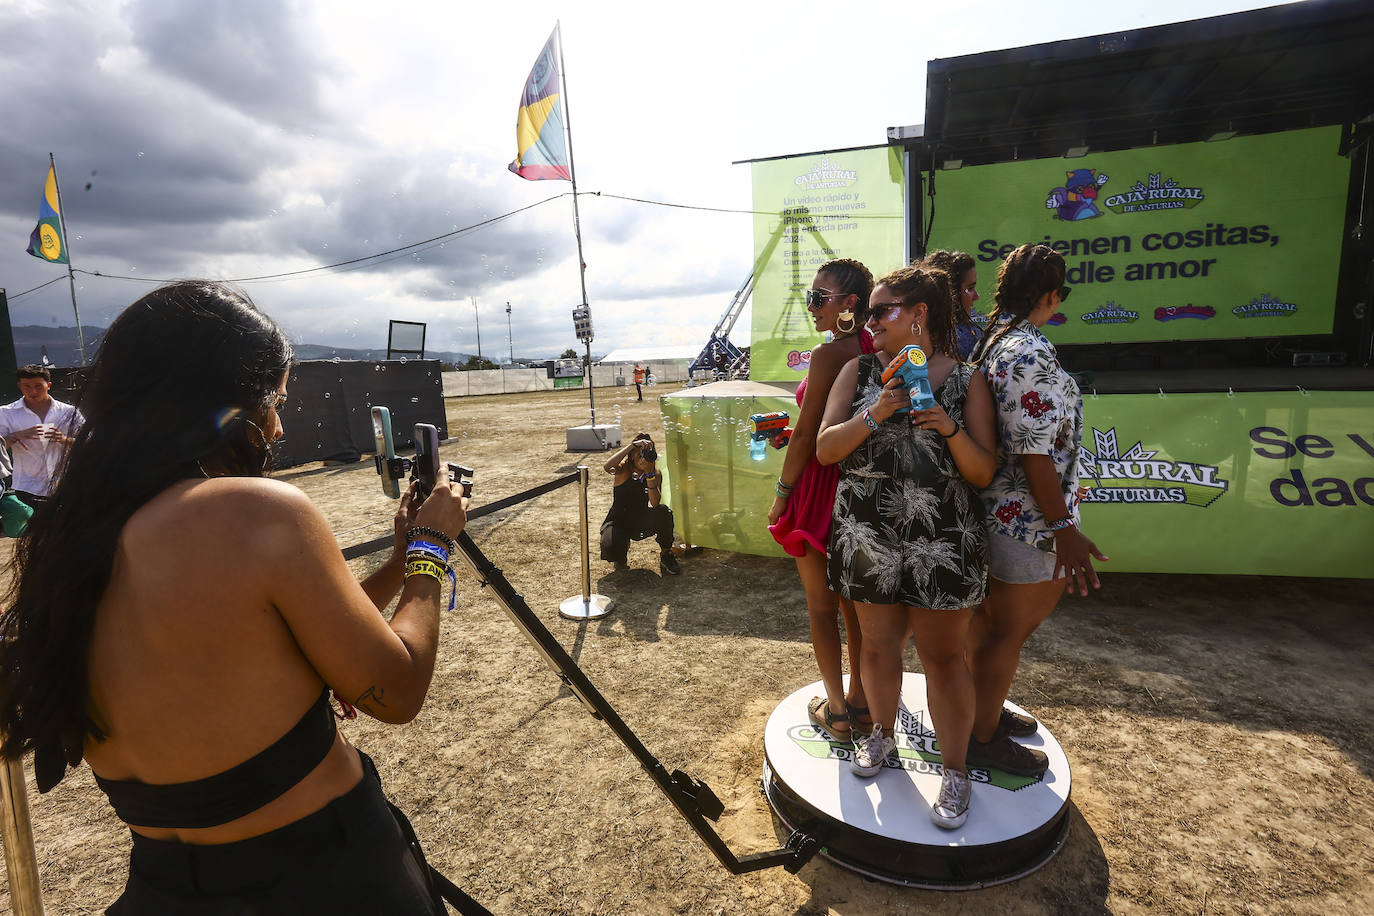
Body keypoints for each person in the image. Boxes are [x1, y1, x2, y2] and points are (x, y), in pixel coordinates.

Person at [0, 282, 471, 914]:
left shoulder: (68, 536)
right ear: (224, 404)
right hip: (327, 877)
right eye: (273, 400)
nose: (277, 424)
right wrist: (431, 550)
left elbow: (256, 638)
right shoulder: (253, 512)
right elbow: (399, 688)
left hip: (161, 888)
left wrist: (390, 566)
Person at [817, 264, 998, 830]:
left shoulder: (966, 380)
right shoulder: (857, 369)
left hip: (943, 537)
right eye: (866, 312)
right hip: (868, 531)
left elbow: (983, 472)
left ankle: (956, 771)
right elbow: (825, 449)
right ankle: (882, 736)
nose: (865, 321)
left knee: (945, 659)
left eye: (879, 311)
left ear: (918, 314)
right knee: (876, 646)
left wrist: (947, 426)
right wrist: (877, 413)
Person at [966, 243, 1108, 777]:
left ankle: (984, 714)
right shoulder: (1026, 351)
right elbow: (1032, 450)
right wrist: (1063, 526)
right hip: (1025, 522)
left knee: (990, 625)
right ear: (1050, 296)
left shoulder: (996, 340)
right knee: (1007, 632)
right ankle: (981, 738)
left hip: (1005, 513)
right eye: (1061, 294)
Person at [767, 257, 876, 743]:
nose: (810, 306)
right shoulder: (882, 345)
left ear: (849, 303)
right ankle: (862, 701)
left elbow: (810, 434)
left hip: (818, 489)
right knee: (857, 609)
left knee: (820, 608)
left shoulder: (830, 353)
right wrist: (793, 434)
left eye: (818, 298)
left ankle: (835, 712)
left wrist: (782, 493)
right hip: (860, 487)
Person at [0, 364, 84, 510]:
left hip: (67, 484)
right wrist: (17, 436)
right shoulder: (6, 413)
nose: (33, 391)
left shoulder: (69, 412)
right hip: (28, 487)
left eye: (38, 386)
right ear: (19, 386)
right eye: (27, 386)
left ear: (49, 385)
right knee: (40, 531)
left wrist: (64, 440)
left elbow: (90, 443)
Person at [600, 433, 679, 575]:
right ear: (631, 455)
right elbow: (607, 467)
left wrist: (650, 475)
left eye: (647, 452)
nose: (643, 457)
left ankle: (666, 554)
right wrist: (631, 446)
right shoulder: (624, 469)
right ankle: (620, 551)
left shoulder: (655, 473)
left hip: (639, 519)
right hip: (618, 521)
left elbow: (655, 503)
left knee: (664, 512)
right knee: (611, 549)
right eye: (639, 453)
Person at [923, 249, 983, 360]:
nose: (976, 296)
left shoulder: (913, 336)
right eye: (970, 288)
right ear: (950, 293)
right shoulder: (966, 339)